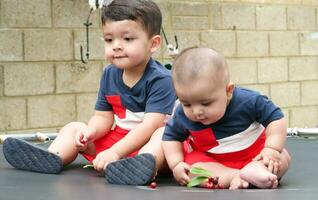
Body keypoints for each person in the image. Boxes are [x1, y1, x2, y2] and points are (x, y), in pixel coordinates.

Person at [3, 0, 176, 186]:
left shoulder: (161, 79)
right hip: (117, 142)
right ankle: (53, 157)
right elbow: (103, 116)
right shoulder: (110, 74)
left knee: (163, 134)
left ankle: (140, 168)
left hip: (150, 147)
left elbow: (150, 125)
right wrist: (91, 131)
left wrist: (115, 152)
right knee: (74, 127)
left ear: (153, 44)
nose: (116, 46)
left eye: (127, 39)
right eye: (109, 40)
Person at [162, 46, 291, 189]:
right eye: (186, 104)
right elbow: (170, 137)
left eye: (206, 103)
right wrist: (176, 164)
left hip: (255, 155)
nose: (196, 111)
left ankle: (257, 169)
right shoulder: (181, 114)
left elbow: (276, 119)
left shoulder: (249, 101)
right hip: (213, 161)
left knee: (281, 158)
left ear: (228, 91)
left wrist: (272, 149)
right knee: (192, 169)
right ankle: (233, 176)